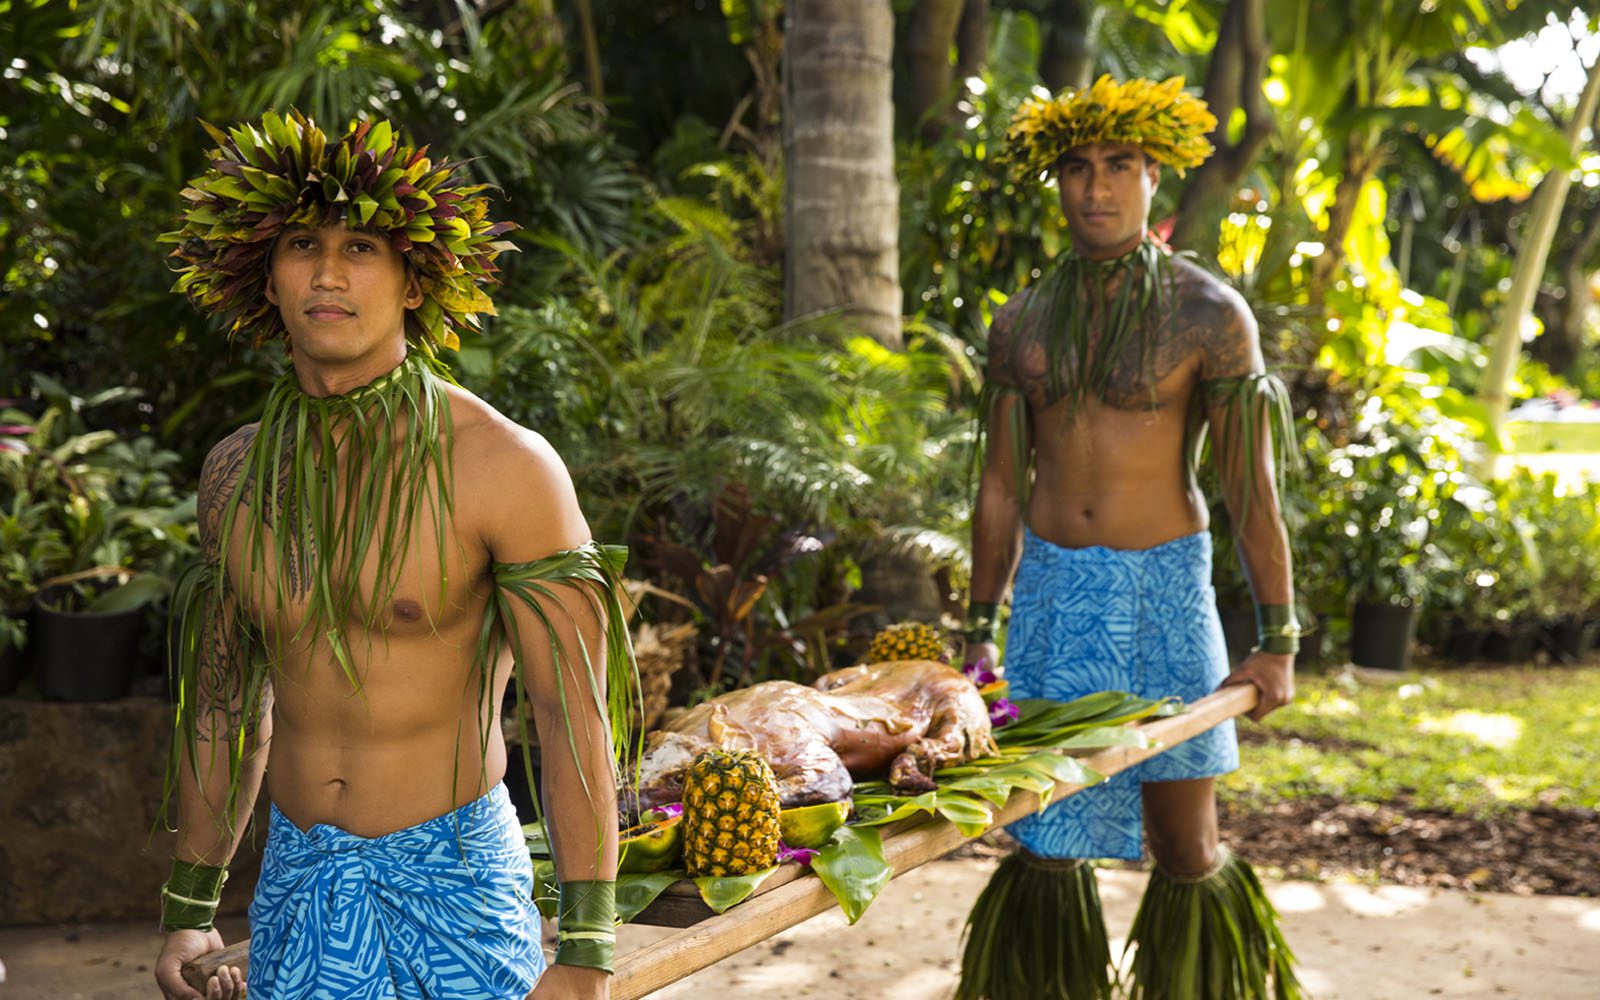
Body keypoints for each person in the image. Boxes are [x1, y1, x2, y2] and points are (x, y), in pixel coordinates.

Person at [151, 111, 636, 1000]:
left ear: (415, 282)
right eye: (302, 243)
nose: (328, 273)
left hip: (455, 891)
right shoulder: (234, 474)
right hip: (296, 888)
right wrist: (191, 900)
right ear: (266, 274)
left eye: (363, 247)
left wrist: (586, 951)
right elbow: (228, 709)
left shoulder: (504, 466)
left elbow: (572, 718)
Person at [956, 76, 1303, 999]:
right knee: (1045, 836)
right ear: (1057, 182)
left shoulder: (1209, 315)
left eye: (1118, 166)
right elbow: (999, 485)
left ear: (1155, 176)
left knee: (1187, 846)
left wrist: (1279, 640)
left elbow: (1248, 485)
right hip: (1052, 599)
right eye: (1076, 167)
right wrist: (977, 623)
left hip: (1164, 598)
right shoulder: (1020, 321)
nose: (1096, 187)